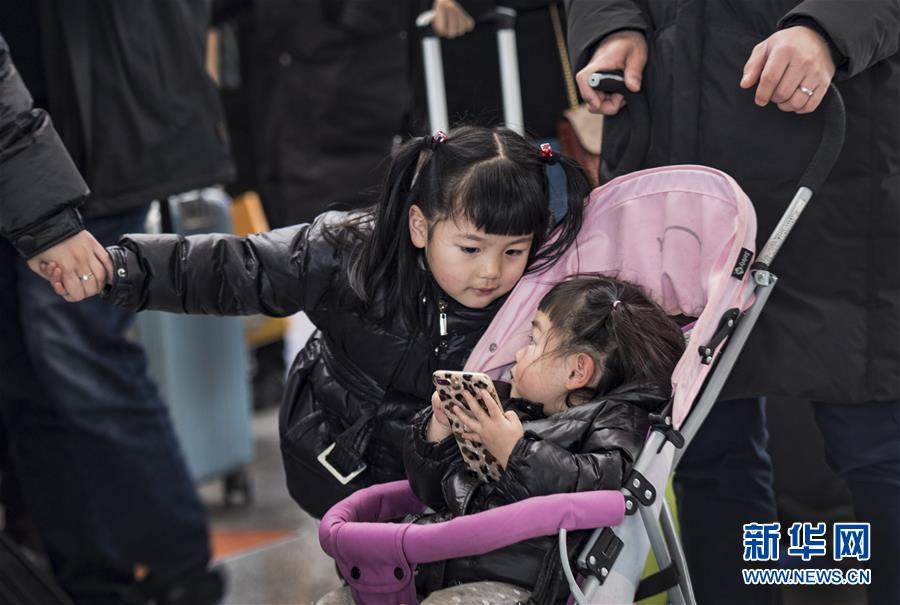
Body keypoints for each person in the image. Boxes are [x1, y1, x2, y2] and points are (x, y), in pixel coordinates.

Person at [46, 126, 589, 520]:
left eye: (513, 250)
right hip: (340, 459)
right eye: (470, 248)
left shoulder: (539, 290)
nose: (491, 271)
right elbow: (238, 268)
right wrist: (123, 269)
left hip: (453, 485)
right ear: (420, 226)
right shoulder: (349, 250)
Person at [566, 2, 900, 603]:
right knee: (703, 451)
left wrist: (827, 29)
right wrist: (611, 27)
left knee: (873, 443)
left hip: (835, 168)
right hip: (678, 172)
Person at [0, 1, 233, 603]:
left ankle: (178, 572)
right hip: (31, 139)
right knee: (28, 373)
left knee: (77, 355)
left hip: (97, 134)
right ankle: (89, 580)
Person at [317, 275, 685, 604]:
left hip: (514, 587)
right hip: (435, 567)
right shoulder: (508, 406)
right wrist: (439, 431)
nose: (519, 353)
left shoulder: (615, 422)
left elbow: (597, 482)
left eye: (533, 340)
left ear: (577, 371)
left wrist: (514, 451)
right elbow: (430, 491)